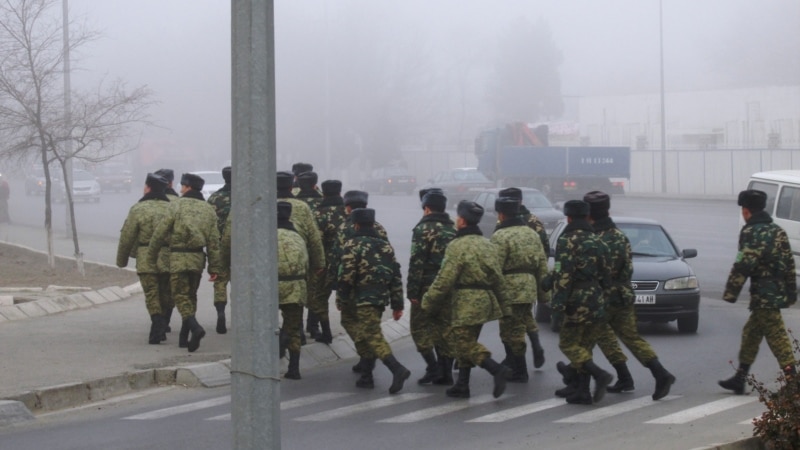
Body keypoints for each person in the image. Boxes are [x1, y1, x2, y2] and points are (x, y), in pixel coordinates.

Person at [581, 191, 675, 401]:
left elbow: (594, 272)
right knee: (629, 338)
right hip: (622, 295)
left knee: (583, 341)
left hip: (602, 298)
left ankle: (581, 386)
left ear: (589, 214)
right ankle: (655, 374)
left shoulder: (594, 239)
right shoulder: (619, 236)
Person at [421, 200, 510, 399]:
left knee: (462, 343)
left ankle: (496, 369)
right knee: (467, 341)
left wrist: (428, 301)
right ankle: (462, 385)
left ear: (461, 221)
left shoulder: (457, 245)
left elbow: (445, 279)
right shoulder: (488, 244)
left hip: (465, 301)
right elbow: (497, 277)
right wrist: (505, 306)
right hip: (485, 301)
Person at [718, 189, 798, 394]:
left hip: (764, 295)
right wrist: (791, 292)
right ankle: (740, 377)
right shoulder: (777, 230)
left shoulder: (750, 232)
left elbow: (743, 264)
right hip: (776, 291)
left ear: (746, 211)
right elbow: (790, 263)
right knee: (751, 334)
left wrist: (730, 293)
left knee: (777, 337)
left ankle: (793, 382)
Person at [336, 207, 410, 394]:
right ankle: (366, 375)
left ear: (356, 225)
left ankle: (397, 369)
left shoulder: (352, 244)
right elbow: (395, 275)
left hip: (357, 298)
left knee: (371, 334)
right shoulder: (385, 245)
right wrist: (397, 304)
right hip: (378, 298)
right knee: (366, 332)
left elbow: (346, 275)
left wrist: (341, 298)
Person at [547, 199, 613, 405]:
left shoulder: (567, 240)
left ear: (568, 218)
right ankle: (582, 391)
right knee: (584, 345)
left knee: (568, 343)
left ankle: (599, 374)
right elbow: (606, 274)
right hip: (596, 297)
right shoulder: (599, 240)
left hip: (576, 299)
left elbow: (564, 275)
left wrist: (557, 307)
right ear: (586, 217)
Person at [147, 173, 221, 353]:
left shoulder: (176, 205)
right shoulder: (208, 209)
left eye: (182, 185)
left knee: (179, 295)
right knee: (191, 295)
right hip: (197, 259)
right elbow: (213, 242)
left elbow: (160, 232)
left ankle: (195, 328)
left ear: (187, 187)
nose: (180, 188)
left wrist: (151, 255)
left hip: (178, 257)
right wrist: (215, 267)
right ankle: (184, 338)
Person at [491, 196, 548, 383]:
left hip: (509, 288)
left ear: (501, 214)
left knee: (510, 331)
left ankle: (519, 370)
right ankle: (515, 365)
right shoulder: (531, 233)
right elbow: (542, 264)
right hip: (529, 286)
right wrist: (543, 294)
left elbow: (495, 267)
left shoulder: (501, 236)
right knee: (520, 325)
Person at [334, 190, 390, 373]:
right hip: (377, 286)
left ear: (348, 208)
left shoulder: (344, 227)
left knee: (349, 320)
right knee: (370, 324)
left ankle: (367, 355)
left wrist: (339, 289)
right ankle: (367, 359)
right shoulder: (380, 227)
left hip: (353, 286)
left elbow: (339, 259)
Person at [115, 173, 172, 344]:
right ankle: (163, 323)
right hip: (168, 256)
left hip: (146, 256)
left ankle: (156, 322)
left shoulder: (138, 209)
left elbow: (127, 236)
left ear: (148, 188)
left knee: (151, 293)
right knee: (166, 293)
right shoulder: (173, 208)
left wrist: (122, 260)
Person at [407, 188, 457, 385]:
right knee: (445, 328)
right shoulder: (452, 229)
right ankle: (446, 373)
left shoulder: (422, 229)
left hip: (426, 287)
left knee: (419, 328)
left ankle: (433, 366)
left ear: (426, 208)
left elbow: (417, 262)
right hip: (449, 286)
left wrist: (412, 292)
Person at [274, 201, 310, 379]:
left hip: (269, 287)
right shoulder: (297, 237)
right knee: (294, 327)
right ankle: (294, 368)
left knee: (263, 325)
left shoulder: (263, 234)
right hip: (295, 287)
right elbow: (307, 264)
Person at [311, 179, 347, 344]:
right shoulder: (349, 211)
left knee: (320, 298)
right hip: (349, 261)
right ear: (340, 193)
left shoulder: (319, 214)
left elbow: (317, 241)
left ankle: (326, 332)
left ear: (323, 194)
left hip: (326, 263)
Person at [294, 171, 324, 340]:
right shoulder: (322, 201)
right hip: (315, 253)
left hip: (296, 254)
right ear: (314, 184)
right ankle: (313, 326)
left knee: (297, 291)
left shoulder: (292, 203)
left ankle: (297, 329)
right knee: (315, 292)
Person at [207, 166, 232, 334]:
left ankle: (221, 311)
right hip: (242, 247)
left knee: (220, 281)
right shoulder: (245, 196)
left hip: (219, 245)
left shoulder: (214, 198)